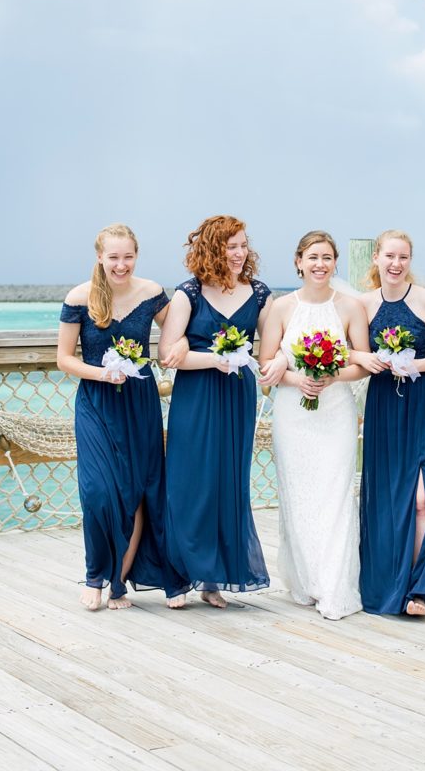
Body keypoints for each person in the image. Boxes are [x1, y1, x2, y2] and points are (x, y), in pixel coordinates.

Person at [57, 223, 188, 611]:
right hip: (97, 402)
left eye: (128, 256)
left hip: (139, 402)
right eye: (113, 257)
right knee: (99, 492)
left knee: (141, 491)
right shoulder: (79, 297)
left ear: (136, 255)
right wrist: (103, 373)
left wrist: (177, 347)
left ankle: (117, 584)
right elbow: (64, 359)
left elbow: (176, 331)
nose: (121, 265)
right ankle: (95, 575)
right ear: (99, 256)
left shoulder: (150, 292)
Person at [158, 215, 285, 609]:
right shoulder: (188, 294)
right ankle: (177, 578)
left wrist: (280, 359)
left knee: (227, 483)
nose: (239, 253)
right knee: (188, 482)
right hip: (196, 397)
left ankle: (212, 579)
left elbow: (273, 344)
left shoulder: (260, 294)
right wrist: (214, 359)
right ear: (212, 248)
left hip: (237, 396)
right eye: (231, 246)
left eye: (244, 246)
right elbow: (167, 355)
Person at [259, 231, 368, 620]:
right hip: (293, 413)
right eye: (313, 257)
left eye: (327, 257)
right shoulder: (281, 309)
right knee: (299, 494)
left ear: (335, 262)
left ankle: (334, 586)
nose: (320, 264)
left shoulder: (352, 308)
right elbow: (266, 364)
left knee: (336, 495)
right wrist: (295, 379)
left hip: (336, 410)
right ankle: (307, 580)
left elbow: (363, 362)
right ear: (299, 261)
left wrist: (332, 375)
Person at [350, 231, 425, 617]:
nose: (396, 264)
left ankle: (420, 588)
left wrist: (414, 364)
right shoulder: (361, 305)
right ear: (375, 258)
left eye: (403, 257)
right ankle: (391, 583)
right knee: (390, 501)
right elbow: (352, 349)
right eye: (389, 256)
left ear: (411, 260)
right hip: (384, 407)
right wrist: (365, 356)